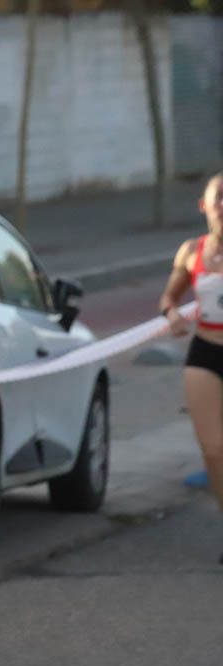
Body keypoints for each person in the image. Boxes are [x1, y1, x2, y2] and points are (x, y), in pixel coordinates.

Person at [159, 171, 223, 556]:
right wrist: (171, 315)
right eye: (218, 198)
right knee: (213, 450)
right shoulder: (191, 251)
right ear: (204, 206)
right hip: (205, 351)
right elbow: (169, 297)